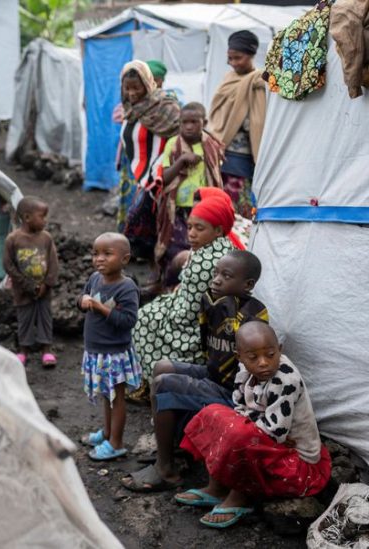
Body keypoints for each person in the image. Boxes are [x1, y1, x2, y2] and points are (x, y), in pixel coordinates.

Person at [122, 251, 268, 492]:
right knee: (162, 367)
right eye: (216, 273)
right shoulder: (210, 301)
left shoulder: (254, 315)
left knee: (164, 383)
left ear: (248, 285)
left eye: (226, 276)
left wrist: (229, 310)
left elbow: (250, 366)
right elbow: (206, 345)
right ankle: (175, 449)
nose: (217, 280)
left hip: (233, 391)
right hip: (215, 375)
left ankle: (166, 469)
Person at [178, 322, 332, 529]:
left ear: (280, 350)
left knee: (240, 436)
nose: (263, 363)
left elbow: (275, 431)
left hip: (297, 460)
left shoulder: (285, 380)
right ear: (239, 356)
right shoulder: (245, 370)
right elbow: (239, 404)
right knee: (212, 412)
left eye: (270, 354)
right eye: (253, 358)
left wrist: (247, 423)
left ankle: (239, 498)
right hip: (272, 439)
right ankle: (217, 488)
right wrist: (248, 421)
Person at [130, 195, 237, 400]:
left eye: (199, 228)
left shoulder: (204, 262)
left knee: (143, 320)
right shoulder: (222, 248)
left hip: (191, 331)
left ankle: (151, 387)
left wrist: (163, 309)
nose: (191, 234)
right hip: (197, 317)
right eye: (189, 227)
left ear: (218, 230)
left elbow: (185, 316)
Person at [78, 233, 141, 461]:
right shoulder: (95, 278)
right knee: (107, 395)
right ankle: (107, 433)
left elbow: (128, 321)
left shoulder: (127, 287)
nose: (99, 259)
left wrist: (100, 307)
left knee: (116, 398)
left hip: (114, 353)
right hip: (96, 350)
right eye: (95, 253)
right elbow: (82, 297)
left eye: (107, 254)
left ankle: (116, 442)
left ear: (125, 259)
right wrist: (82, 302)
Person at [153, 103, 225, 275]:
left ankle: (196, 281)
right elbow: (164, 178)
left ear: (204, 123)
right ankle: (169, 282)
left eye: (194, 122)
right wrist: (181, 161)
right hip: (178, 207)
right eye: (184, 122)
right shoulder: (173, 144)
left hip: (202, 208)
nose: (189, 127)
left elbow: (215, 174)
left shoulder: (210, 144)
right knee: (174, 246)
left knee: (200, 246)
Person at [114, 60, 180, 246]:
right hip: (133, 171)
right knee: (133, 212)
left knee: (153, 218)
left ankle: (153, 256)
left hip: (158, 176)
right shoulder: (129, 107)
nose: (131, 93)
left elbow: (179, 136)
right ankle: (130, 248)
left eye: (137, 88)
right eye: (127, 88)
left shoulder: (163, 106)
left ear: (148, 83)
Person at [208, 30, 267, 219]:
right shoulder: (229, 79)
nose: (233, 63)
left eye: (238, 58)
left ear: (251, 55)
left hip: (243, 160)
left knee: (238, 214)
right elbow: (217, 113)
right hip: (219, 154)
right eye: (230, 58)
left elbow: (259, 121)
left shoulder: (260, 82)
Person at [3, 196, 59, 368]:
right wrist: (26, 285)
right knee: (25, 319)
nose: (45, 221)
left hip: (44, 290)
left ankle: (46, 350)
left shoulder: (46, 238)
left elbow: (53, 262)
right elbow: (8, 265)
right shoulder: (13, 239)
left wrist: (46, 284)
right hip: (22, 290)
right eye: (42, 216)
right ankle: (23, 351)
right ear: (27, 218)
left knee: (45, 318)